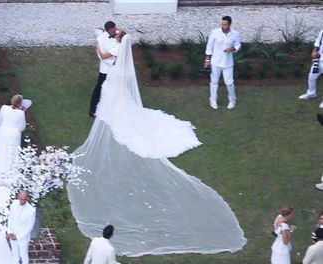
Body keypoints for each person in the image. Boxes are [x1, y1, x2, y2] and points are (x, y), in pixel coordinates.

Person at [67, 33, 246, 256]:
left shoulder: (115, 55)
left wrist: (99, 43)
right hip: (117, 87)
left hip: (114, 86)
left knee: (115, 107)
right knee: (116, 105)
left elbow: (106, 55)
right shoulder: (120, 52)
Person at [204, 16, 241, 110]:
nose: (222, 26)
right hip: (215, 61)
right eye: (222, 24)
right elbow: (209, 46)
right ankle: (213, 99)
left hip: (228, 62)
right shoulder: (215, 32)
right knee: (214, 82)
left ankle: (232, 100)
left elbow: (238, 44)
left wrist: (232, 49)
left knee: (229, 82)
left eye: (224, 24)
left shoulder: (235, 34)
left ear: (229, 25)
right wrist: (207, 60)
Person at [89, 21, 117, 117]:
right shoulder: (100, 39)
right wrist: (112, 62)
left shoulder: (116, 34)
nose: (115, 31)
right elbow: (101, 56)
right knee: (99, 88)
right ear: (107, 30)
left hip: (115, 68)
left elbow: (122, 31)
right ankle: (93, 109)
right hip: (105, 69)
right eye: (112, 31)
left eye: (115, 29)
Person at [0, 94, 26, 176]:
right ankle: (10, 171)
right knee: (12, 152)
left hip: (3, 131)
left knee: (2, 150)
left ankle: (0, 169)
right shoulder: (21, 113)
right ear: (20, 103)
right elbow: (22, 127)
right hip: (13, 133)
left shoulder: (4, 108)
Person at [7, 191, 36, 264]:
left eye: (24, 199)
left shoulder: (31, 211)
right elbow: (10, 218)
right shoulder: (14, 203)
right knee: (15, 255)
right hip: (13, 234)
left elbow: (29, 228)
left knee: (23, 255)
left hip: (23, 237)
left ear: (27, 199)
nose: (22, 201)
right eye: (21, 199)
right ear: (18, 197)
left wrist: (18, 237)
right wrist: (9, 232)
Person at [298, 29, 323, 107]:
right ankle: (311, 93)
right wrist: (314, 51)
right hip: (319, 58)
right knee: (312, 76)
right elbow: (318, 42)